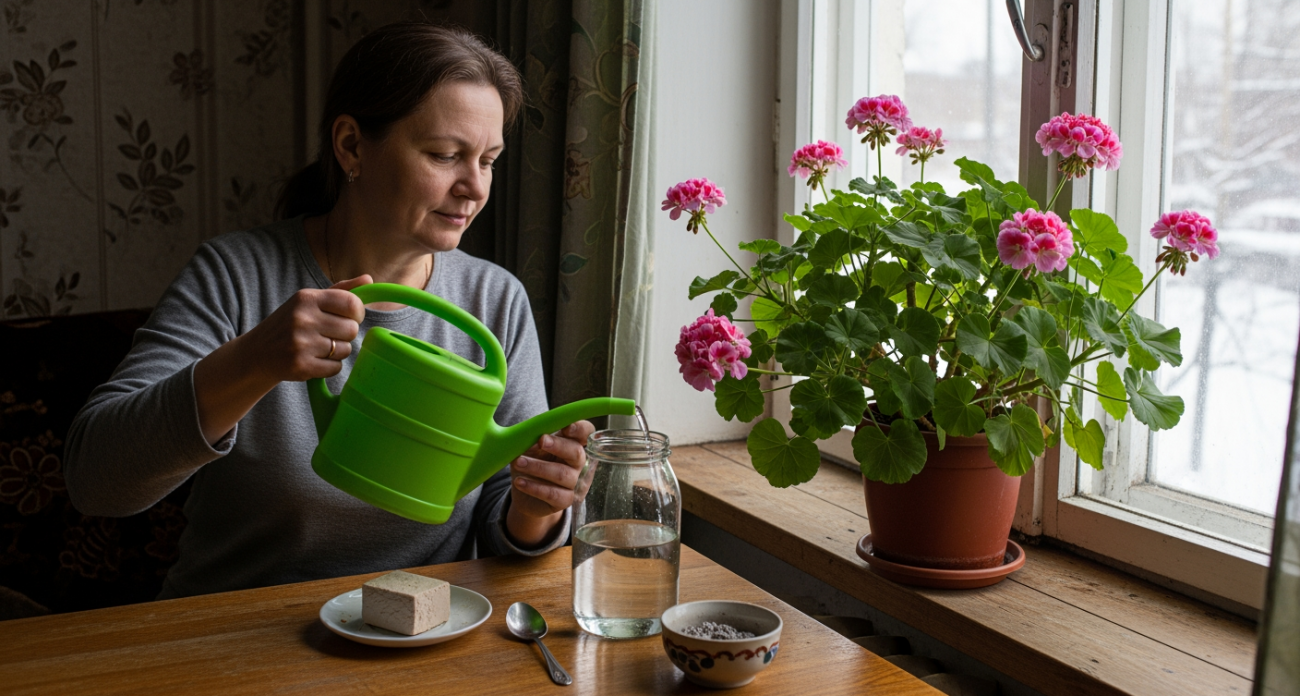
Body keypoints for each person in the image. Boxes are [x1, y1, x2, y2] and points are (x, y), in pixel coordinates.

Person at [63, 23, 590, 599]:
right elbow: (97, 482)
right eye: (445, 155)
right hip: (231, 639)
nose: (474, 188)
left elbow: (499, 517)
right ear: (351, 146)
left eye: (488, 160)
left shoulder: (496, 302)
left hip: (423, 641)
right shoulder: (236, 275)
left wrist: (536, 509)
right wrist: (254, 361)